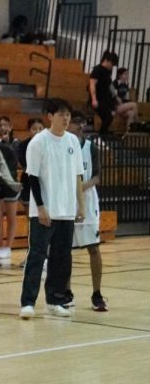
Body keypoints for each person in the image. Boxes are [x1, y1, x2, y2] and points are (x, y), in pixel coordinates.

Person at [19, 98, 84, 320]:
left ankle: (55, 300)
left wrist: (80, 204)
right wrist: (41, 207)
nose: (66, 118)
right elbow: (33, 178)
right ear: (50, 116)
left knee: (62, 258)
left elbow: (77, 175)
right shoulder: (38, 142)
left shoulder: (73, 141)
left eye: (68, 115)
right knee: (36, 256)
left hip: (66, 210)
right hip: (44, 212)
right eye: (61, 114)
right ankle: (28, 302)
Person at [68, 112, 108, 312]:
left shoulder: (90, 147)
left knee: (94, 247)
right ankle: (65, 292)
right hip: (66, 200)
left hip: (87, 199)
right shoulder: (63, 145)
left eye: (81, 123)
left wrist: (82, 185)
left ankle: (97, 293)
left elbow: (97, 176)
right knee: (64, 248)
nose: (79, 127)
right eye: (75, 123)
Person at [0, 115, 22, 265]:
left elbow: (17, 159)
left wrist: (7, 142)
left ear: (10, 126)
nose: (3, 127)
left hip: (12, 184)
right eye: (1, 125)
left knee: (11, 217)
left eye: (6, 125)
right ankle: (0, 246)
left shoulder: (16, 143)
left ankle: (8, 247)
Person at [88, 50, 120, 135]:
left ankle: (103, 134)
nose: (112, 67)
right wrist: (94, 99)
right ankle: (102, 135)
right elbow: (92, 85)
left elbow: (110, 85)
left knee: (109, 116)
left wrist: (116, 96)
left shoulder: (107, 72)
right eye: (112, 64)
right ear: (107, 61)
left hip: (105, 99)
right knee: (108, 116)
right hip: (98, 99)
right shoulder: (97, 70)